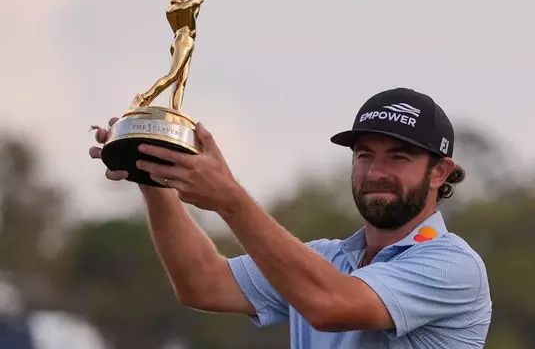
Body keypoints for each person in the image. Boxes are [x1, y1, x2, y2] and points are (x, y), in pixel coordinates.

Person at [89, 87, 492, 348]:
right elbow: (203, 284)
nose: (375, 172)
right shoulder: (325, 261)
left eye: (398, 157)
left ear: (439, 172)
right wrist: (154, 178)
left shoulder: (454, 266)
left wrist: (231, 198)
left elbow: (331, 305)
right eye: (365, 155)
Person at [130, 0, 206, 111]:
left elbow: (194, 9)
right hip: (182, 40)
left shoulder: (185, 7)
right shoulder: (173, 8)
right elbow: (192, 4)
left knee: (181, 81)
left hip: (189, 41)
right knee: (174, 74)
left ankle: (175, 111)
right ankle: (144, 97)